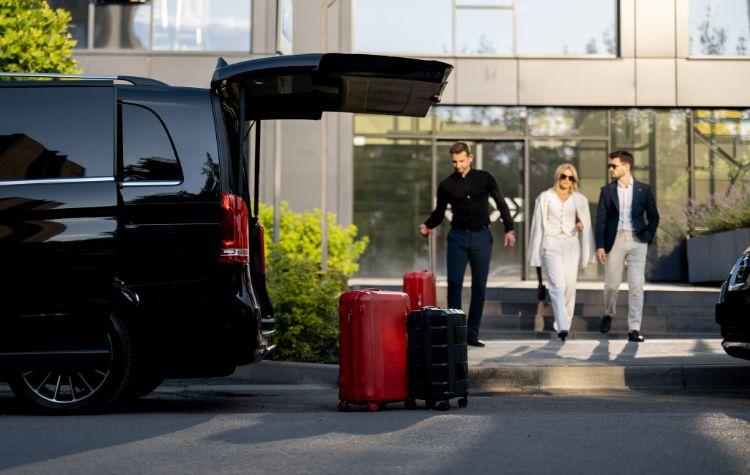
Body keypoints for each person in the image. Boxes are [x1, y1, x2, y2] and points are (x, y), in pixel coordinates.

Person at [419, 142, 515, 347]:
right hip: (458, 237)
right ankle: (455, 335)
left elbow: (501, 203)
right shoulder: (446, 185)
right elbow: (439, 213)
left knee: (479, 287)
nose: (458, 165)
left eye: (461, 161)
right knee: (454, 285)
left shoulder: (485, 177)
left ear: (470, 158)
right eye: (454, 162)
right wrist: (427, 225)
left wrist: (509, 229)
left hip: (482, 237)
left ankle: (472, 334)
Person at [595, 150, 660, 342]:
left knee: (636, 285)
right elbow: (601, 221)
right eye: (610, 166)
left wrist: (647, 236)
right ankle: (608, 313)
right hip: (614, 241)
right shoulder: (606, 191)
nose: (611, 169)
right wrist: (599, 246)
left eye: (614, 165)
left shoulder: (644, 189)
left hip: (637, 241)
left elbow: (654, 217)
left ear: (626, 166)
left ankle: (634, 329)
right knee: (611, 285)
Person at [528, 164, 595, 341]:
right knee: (558, 285)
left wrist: (581, 224)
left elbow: (586, 224)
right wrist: (535, 252)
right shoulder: (545, 197)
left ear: (574, 180)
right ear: (557, 177)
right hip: (551, 243)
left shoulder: (579, 199)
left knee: (570, 287)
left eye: (570, 177)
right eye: (563, 176)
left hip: (572, 245)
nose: (566, 180)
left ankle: (565, 322)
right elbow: (537, 226)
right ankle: (562, 325)